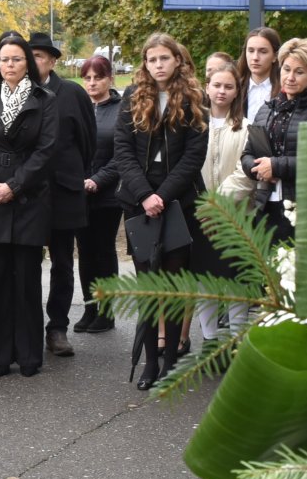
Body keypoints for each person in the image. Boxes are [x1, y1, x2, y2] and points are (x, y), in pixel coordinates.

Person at [113, 33, 209, 390]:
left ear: (177, 60)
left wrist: (162, 196)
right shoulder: (132, 96)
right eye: (152, 59)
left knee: (174, 286)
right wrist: (144, 195)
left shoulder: (195, 98)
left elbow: (193, 157)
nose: (158, 65)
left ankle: (170, 362)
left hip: (178, 202)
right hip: (139, 203)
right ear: (145, 63)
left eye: (164, 58)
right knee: (149, 288)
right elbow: (122, 150)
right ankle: (150, 362)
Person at [0, 32, 60, 378]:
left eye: (17, 59)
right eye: (4, 59)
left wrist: (14, 185)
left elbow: (46, 150)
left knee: (27, 280)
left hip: (29, 198)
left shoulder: (45, 99)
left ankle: (29, 355)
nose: (10, 65)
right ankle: (0, 356)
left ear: (27, 63)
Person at [26, 32, 95, 358]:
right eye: (29, 55)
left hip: (63, 192)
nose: (33, 61)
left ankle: (57, 328)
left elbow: (88, 142)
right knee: (26, 263)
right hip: (26, 192)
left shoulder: (72, 93)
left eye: (40, 56)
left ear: (53, 61)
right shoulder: (17, 92)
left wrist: (71, 173)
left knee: (62, 263)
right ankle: (27, 327)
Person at [242, 37, 307, 244]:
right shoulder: (266, 110)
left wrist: (275, 166)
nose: (290, 77)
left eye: (299, 72)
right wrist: (257, 168)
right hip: (264, 207)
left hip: (303, 209)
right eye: (286, 69)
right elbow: (247, 154)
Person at [194, 61, 250, 344]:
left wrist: (216, 204)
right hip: (199, 215)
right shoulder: (194, 125)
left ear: (237, 91)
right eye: (216, 85)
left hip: (234, 216)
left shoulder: (246, 128)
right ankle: (209, 340)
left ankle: (237, 341)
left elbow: (245, 174)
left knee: (236, 280)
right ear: (207, 87)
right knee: (205, 281)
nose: (222, 91)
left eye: (229, 86)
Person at [73, 54, 122, 334]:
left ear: (110, 79)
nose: (92, 83)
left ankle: (106, 311)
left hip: (108, 195)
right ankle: (90, 307)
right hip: (78, 193)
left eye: (98, 77)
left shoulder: (121, 110)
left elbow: (123, 155)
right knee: (85, 251)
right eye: (87, 78)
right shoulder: (80, 107)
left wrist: (97, 180)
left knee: (103, 250)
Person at [238, 26, 283, 121]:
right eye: (251, 51)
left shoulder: (285, 90)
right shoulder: (235, 88)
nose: (255, 57)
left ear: (275, 56)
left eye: (263, 52)